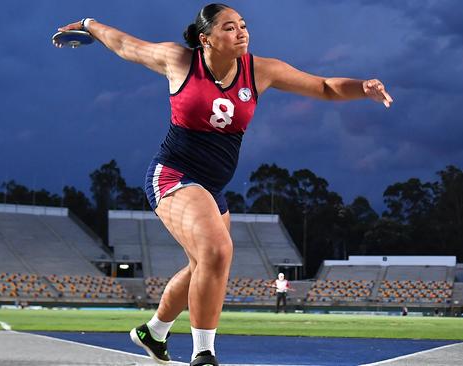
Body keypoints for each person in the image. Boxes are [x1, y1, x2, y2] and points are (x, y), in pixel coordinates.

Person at [55, 4, 393, 366]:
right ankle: (204, 353)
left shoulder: (260, 70)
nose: (242, 32)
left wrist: (362, 87)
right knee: (217, 252)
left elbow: (324, 87)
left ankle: (153, 331)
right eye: (230, 28)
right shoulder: (180, 61)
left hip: (212, 188)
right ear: (206, 39)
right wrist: (90, 25)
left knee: (202, 264)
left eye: (243, 25)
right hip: (173, 174)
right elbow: (125, 44)